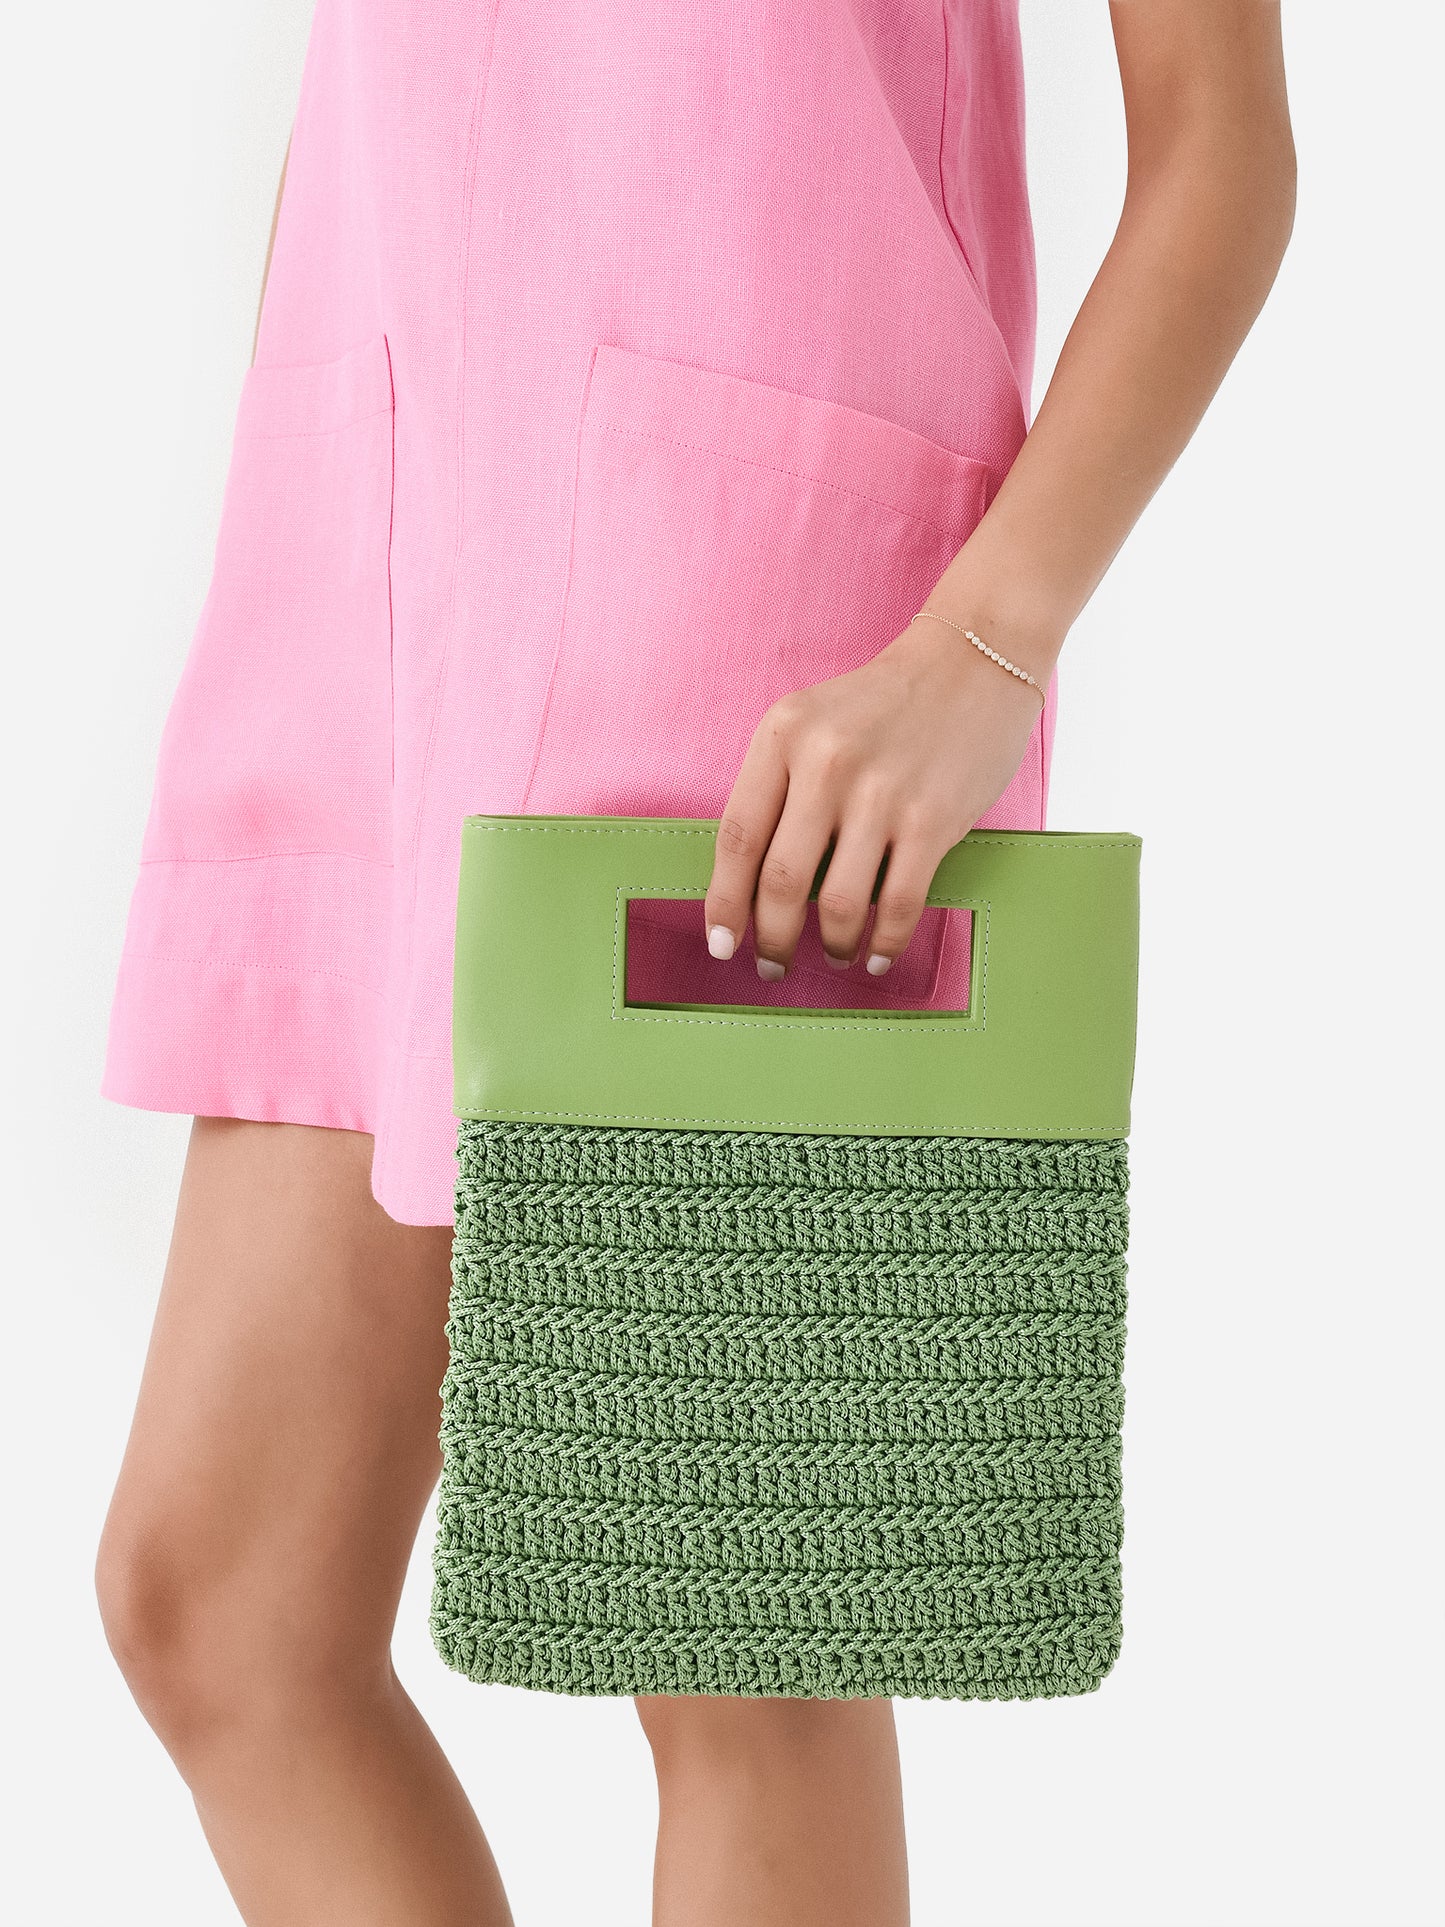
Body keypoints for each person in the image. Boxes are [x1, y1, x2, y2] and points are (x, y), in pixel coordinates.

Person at [94, 3, 1294, 1922]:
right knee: (219, 1598)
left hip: (732, 621)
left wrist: (980, 647)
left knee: (738, 1645)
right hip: (365, 567)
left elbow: (1220, 149)